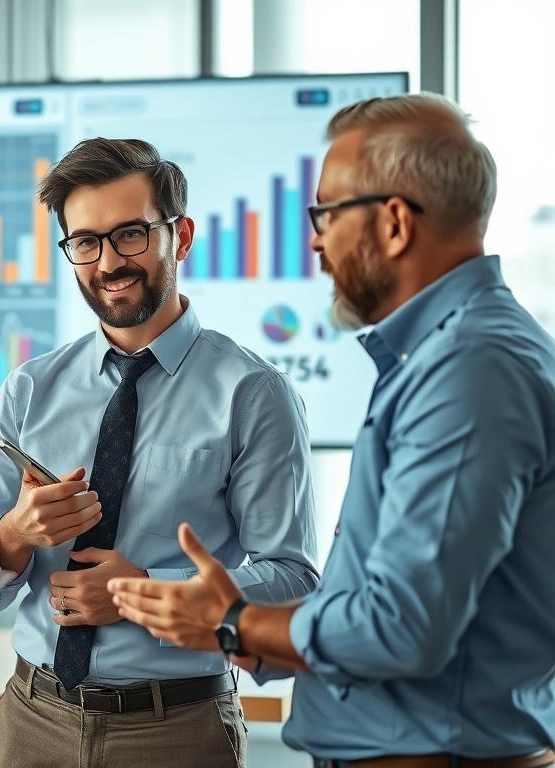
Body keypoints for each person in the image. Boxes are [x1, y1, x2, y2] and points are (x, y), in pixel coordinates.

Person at [110, 94, 555, 768]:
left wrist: (230, 622)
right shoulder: (452, 354)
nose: (315, 240)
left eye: (326, 213)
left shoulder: (470, 368)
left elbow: (401, 626)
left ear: (396, 222)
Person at [0, 137, 319, 768]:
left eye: (131, 235)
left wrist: (139, 590)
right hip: (30, 721)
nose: (108, 262)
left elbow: (292, 579)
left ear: (182, 236)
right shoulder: (29, 389)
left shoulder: (254, 393)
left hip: (175, 727)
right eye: (85, 242)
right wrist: (13, 536)